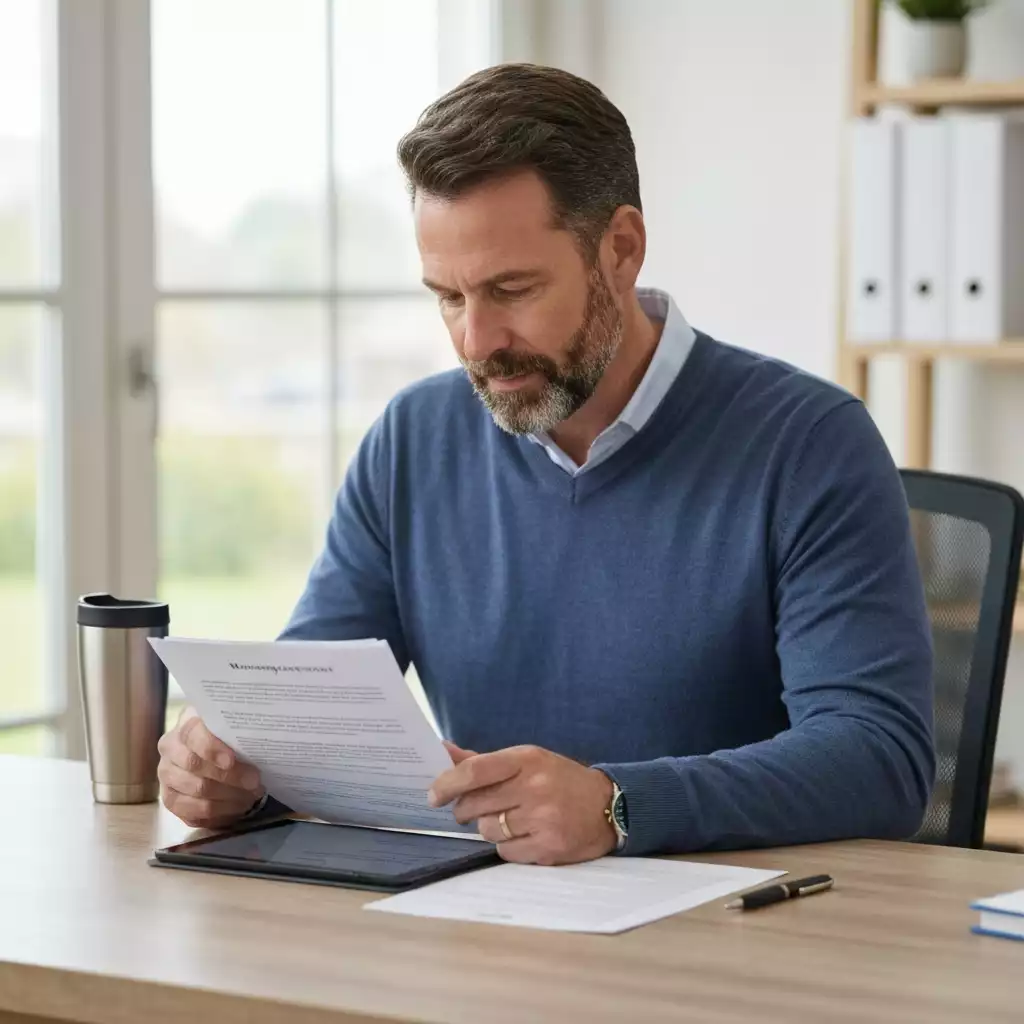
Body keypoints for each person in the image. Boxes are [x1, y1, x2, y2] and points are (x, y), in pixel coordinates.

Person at [157, 63, 935, 865]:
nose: (476, 341)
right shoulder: (414, 439)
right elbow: (309, 714)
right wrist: (234, 770)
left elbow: (880, 759)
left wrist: (618, 805)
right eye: (449, 297)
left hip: (729, 941)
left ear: (621, 249)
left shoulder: (808, 443)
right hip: (483, 930)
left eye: (513, 288)